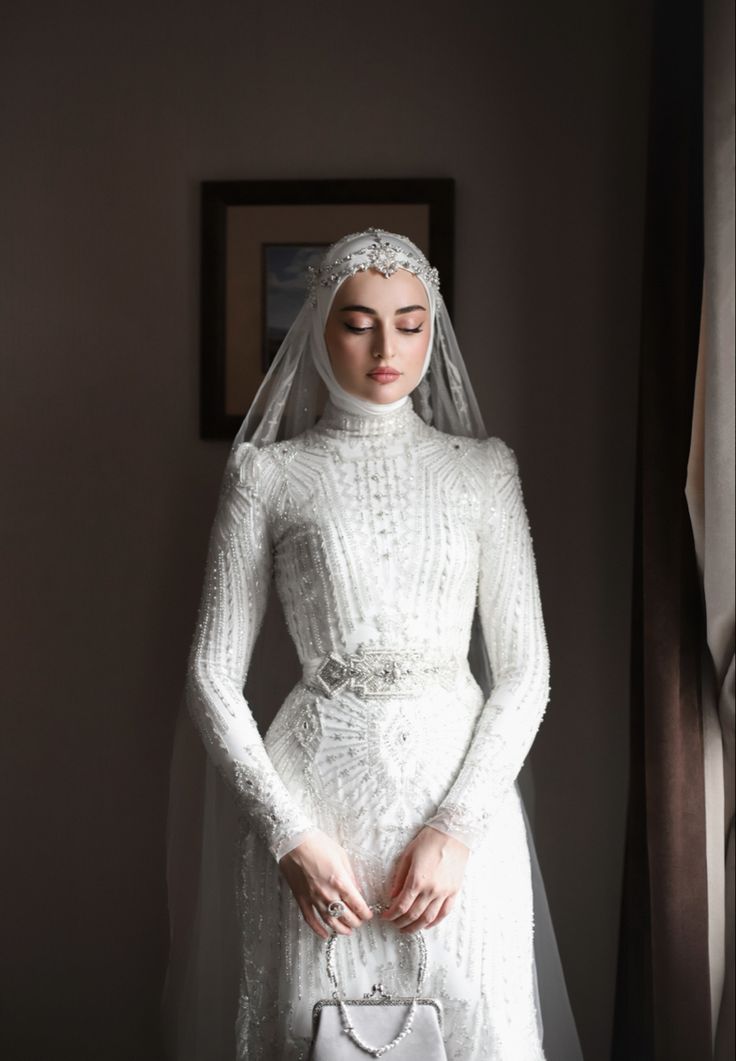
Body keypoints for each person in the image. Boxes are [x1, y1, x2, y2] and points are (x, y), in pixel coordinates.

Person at [162, 229, 582, 1061]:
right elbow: (213, 675)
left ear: (435, 330)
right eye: (359, 322)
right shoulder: (267, 476)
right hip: (317, 821)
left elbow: (526, 672)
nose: (388, 346)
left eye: (411, 321)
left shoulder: (484, 471)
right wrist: (287, 834)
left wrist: (457, 826)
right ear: (319, 324)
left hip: (461, 816)